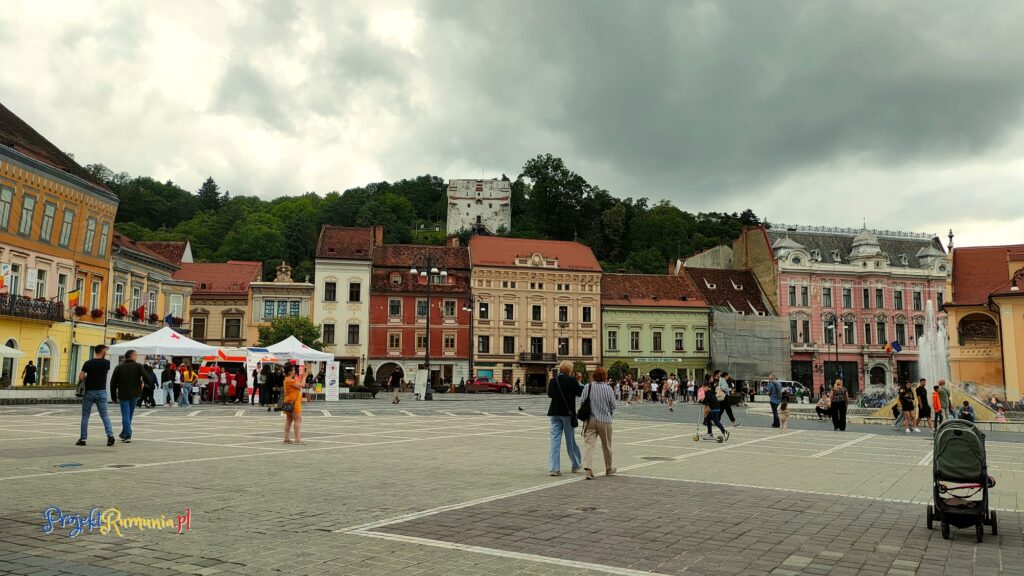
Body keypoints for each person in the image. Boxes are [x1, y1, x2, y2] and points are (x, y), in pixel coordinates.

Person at [580, 367, 617, 480]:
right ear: (605, 376)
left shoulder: (588, 386)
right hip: (605, 421)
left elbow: (582, 402)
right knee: (606, 446)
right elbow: (613, 405)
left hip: (590, 420)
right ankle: (608, 469)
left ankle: (588, 469)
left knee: (589, 446)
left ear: (594, 376)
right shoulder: (608, 389)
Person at [547, 360, 582, 476]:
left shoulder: (553, 380)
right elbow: (580, 392)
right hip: (567, 414)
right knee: (570, 440)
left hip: (554, 413)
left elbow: (550, 394)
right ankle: (576, 465)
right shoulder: (572, 380)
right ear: (569, 370)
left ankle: (554, 468)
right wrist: (579, 381)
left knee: (555, 441)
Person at [76, 345, 115, 447]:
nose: (106, 352)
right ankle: (110, 435)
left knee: (85, 416)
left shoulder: (88, 363)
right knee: (104, 415)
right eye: (105, 350)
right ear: (102, 351)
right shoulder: (107, 363)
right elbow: (102, 373)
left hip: (89, 392)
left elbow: (81, 377)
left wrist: (87, 376)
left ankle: (83, 439)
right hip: (101, 391)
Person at [110, 350, 147, 442]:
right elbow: (145, 375)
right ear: (131, 355)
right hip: (135, 393)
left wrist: (113, 396)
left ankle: (125, 433)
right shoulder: (138, 366)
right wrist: (152, 385)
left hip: (123, 394)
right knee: (129, 414)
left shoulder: (119, 366)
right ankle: (126, 433)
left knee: (126, 414)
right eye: (135, 355)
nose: (136, 357)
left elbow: (113, 383)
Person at [282, 364, 304, 444]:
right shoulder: (290, 380)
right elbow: (302, 385)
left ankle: (286, 438)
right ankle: (298, 439)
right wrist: (304, 376)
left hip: (289, 401)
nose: (295, 371)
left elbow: (297, 384)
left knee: (289, 420)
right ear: (290, 371)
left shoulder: (288, 379)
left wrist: (299, 378)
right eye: (294, 370)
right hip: (294, 403)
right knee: (298, 420)